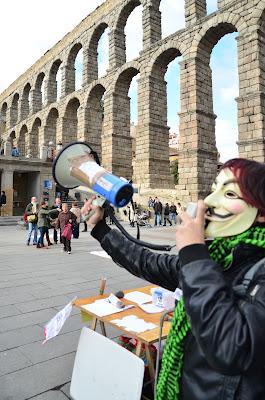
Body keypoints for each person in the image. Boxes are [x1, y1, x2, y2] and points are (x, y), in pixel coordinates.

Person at [83, 158, 265, 400]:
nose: (208, 202)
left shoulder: (244, 268)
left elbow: (232, 350)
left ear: (261, 214)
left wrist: (194, 254)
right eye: (213, 190)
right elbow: (147, 262)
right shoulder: (218, 257)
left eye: (229, 193)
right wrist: (101, 229)